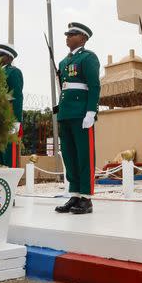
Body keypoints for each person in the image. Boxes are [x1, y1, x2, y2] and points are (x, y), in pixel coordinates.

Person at [54, 22, 101, 215]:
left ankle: (86, 198)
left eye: (72, 34)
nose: (68, 37)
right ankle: (74, 193)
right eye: (67, 34)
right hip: (66, 113)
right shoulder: (64, 62)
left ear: (83, 38)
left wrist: (91, 111)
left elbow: (94, 86)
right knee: (69, 155)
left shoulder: (88, 58)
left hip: (81, 113)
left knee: (84, 155)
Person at [0, 44, 24, 168]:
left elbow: (17, 97)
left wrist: (15, 120)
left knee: (9, 155)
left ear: (8, 57)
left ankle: (11, 185)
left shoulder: (13, 72)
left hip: (9, 119)